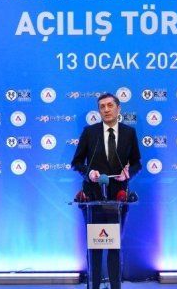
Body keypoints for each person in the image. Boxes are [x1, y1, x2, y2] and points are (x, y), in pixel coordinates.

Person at [71, 92, 142, 289]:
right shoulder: (90, 132)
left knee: (114, 246)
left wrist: (128, 173)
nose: (106, 110)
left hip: (118, 198)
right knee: (95, 247)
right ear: (99, 111)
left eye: (110, 105)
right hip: (93, 199)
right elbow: (76, 162)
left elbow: (137, 162)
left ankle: (115, 286)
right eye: (102, 107)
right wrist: (89, 173)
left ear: (118, 108)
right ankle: (93, 286)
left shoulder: (129, 133)